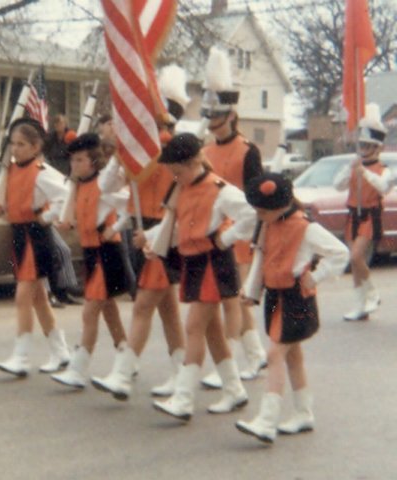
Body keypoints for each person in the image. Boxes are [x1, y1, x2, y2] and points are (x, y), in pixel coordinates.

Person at [90, 65, 189, 400]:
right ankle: (180, 372)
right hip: (142, 229)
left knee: (145, 304)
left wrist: (159, 233)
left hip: (165, 233)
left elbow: (184, 205)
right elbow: (105, 188)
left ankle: (124, 371)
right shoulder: (137, 152)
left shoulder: (179, 154)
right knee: (167, 308)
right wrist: (120, 160)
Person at [235, 172, 349, 443]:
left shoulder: (305, 227)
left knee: (275, 354)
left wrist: (316, 276)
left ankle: (267, 420)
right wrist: (251, 292)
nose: (258, 215)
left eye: (262, 210)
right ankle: (303, 413)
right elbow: (261, 258)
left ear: (279, 207)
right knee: (292, 355)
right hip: (276, 295)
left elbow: (340, 252)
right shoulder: (268, 225)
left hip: (296, 297)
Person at [152, 132, 256, 421]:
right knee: (210, 331)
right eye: (172, 172)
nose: (175, 176)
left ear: (193, 162)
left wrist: (226, 238)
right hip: (193, 262)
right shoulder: (182, 189)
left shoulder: (220, 188)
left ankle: (183, 399)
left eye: (178, 171)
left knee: (194, 327)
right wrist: (151, 241)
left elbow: (251, 216)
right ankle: (235, 390)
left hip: (213, 261)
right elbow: (175, 227)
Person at [199, 47, 267, 388]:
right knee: (230, 300)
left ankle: (237, 360)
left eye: (217, 116)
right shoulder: (205, 151)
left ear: (230, 115)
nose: (212, 122)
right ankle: (253, 356)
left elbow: (255, 199)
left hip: (240, 233)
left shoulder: (247, 151)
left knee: (233, 301)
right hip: (214, 234)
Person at [0, 117, 70, 377]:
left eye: (21, 144)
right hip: (19, 236)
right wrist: (0, 208)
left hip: (37, 237)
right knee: (38, 298)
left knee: (24, 296)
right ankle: (60, 352)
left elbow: (66, 196)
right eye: (13, 143)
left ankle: (21, 356)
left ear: (36, 147)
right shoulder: (11, 171)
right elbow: (11, 206)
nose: (15, 148)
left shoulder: (41, 172)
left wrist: (45, 217)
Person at [51, 133, 134, 388]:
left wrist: (116, 226)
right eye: (72, 160)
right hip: (90, 252)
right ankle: (126, 355)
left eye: (79, 160)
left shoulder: (103, 184)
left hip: (106, 250)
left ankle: (78, 368)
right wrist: (68, 223)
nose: (74, 165)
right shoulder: (79, 186)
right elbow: (80, 219)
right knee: (108, 308)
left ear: (93, 161)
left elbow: (133, 203)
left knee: (90, 312)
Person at [333, 111, 392, 321]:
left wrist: (364, 173)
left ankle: (373, 293)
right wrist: (348, 170)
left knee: (356, 256)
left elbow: (383, 187)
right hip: (353, 214)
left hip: (369, 215)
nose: (364, 150)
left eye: (368, 146)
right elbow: (337, 186)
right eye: (362, 145)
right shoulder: (354, 165)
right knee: (355, 265)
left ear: (378, 148)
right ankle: (360, 303)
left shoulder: (384, 169)